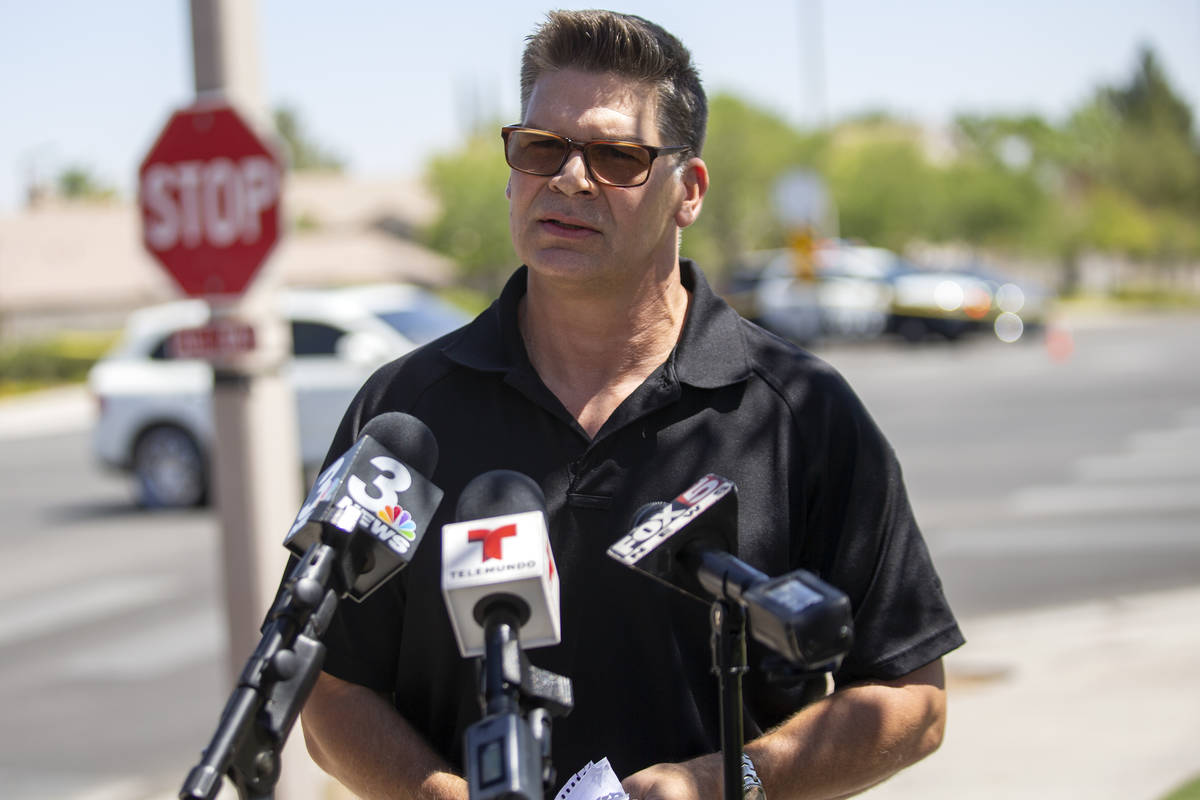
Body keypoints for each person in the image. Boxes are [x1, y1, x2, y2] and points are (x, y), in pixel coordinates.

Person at [299, 10, 964, 800]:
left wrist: (732, 779)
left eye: (617, 156)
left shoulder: (800, 415)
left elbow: (910, 697)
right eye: (542, 147)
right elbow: (329, 691)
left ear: (689, 192)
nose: (570, 179)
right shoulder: (405, 414)